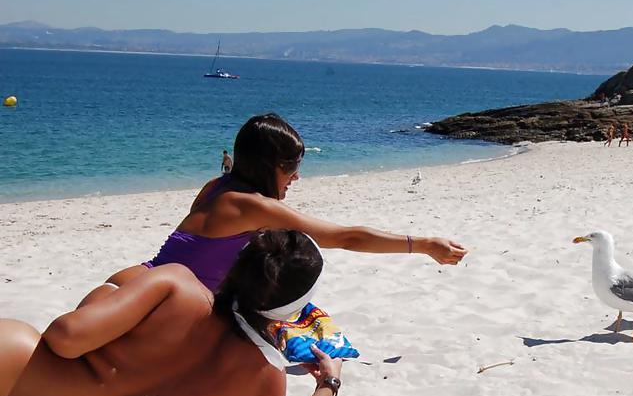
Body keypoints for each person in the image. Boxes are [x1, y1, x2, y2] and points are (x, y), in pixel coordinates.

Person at [0, 230, 342, 396]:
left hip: (15, 368)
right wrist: (328, 383)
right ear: (292, 310)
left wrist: (109, 291)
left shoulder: (177, 285)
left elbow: (65, 339)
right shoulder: (265, 374)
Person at [105, 114, 467, 293]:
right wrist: (422, 245)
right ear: (270, 166)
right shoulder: (257, 207)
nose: (295, 177)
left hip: (137, 280)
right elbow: (346, 238)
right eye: (291, 167)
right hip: (163, 305)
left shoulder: (215, 186)